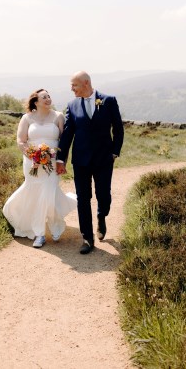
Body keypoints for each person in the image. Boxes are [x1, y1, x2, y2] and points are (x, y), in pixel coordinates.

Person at [56, 71, 124, 254]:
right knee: (83, 199)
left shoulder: (108, 101)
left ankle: (102, 216)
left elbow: (118, 129)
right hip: (81, 160)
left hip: (104, 159)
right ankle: (87, 238)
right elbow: (68, 133)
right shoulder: (72, 105)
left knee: (103, 195)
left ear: (86, 83)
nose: (71, 89)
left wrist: (114, 153)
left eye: (74, 85)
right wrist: (60, 158)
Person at [3, 89, 77, 248]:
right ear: (35, 102)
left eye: (49, 96)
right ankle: (39, 234)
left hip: (52, 162)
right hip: (33, 164)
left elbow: (64, 141)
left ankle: (55, 224)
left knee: (49, 194)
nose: (48, 99)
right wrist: (33, 156)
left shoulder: (58, 116)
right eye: (44, 97)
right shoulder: (27, 118)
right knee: (36, 194)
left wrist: (61, 161)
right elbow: (21, 141)